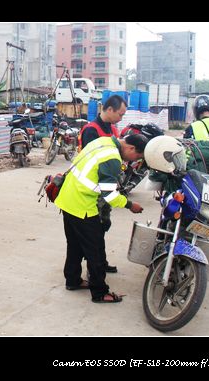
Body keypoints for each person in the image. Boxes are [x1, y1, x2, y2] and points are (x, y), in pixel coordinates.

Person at [54, 133, 146, 303]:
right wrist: (129, 205)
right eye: (137, 157)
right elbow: (110, 195)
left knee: (74, 244)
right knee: (95, 249)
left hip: (67, 199)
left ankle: (72, 280)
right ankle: (100, 292)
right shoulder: (112, 159)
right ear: (131, 148)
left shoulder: (102, 141)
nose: (134, 161)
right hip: (83, 206)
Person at [77, 94, 126, 273]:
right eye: (120, 114)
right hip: (92, 190)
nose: (121, 118)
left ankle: (101, 262)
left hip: (104, 187)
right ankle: (94, 268)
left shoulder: (111, 130)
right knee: (95, 230)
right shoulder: (92, 130)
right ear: (110, 110)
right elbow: (94, 162)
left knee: (103, 226)